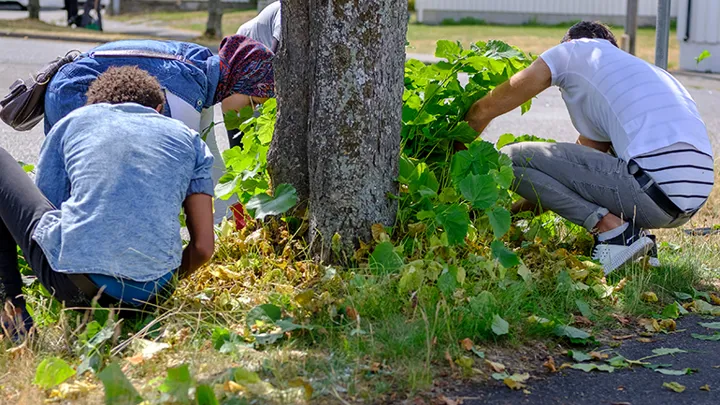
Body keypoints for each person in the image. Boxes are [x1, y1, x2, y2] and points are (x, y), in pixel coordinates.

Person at [464, 21, 714, 274]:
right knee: (619, 158)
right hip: (686, 202)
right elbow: (570, 180)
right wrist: (512, 215)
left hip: (651, 190)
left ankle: (614, 232)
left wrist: (452, 162)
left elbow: (484, 109)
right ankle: (637, 239)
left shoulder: (572, 50)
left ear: (569, 42)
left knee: (511, 158)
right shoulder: (642, 74)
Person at [1, 66, 215, 340]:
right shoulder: (190, 140)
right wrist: (152, 282)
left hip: (76, 286)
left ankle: (13, 318)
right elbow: (203, 248)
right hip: (153, 293)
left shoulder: (75, 121)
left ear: (95, 106)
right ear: (159, 109)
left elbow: (49, 212)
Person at [44, 35, 275, 222]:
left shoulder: (204, 76)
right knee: (93, 179)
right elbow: (180, 173)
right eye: (253, 103)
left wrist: (237, 218)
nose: (251, 113)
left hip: (74, 84)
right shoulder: (187, 90)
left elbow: (211, 163)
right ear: (240, 83)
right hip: (76, 90)